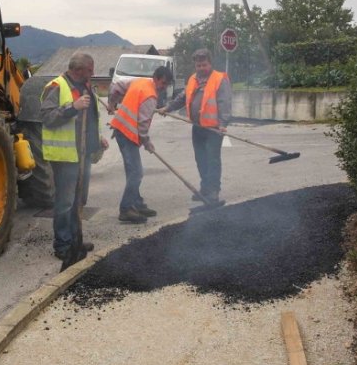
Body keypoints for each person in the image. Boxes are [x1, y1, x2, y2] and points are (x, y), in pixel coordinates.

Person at [40, 52, 108, 261]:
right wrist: (72, 107)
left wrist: (97, 138)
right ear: (78, 70)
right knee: (66, 202)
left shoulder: (84, 85)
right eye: (90, 70)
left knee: (79, 200)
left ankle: (75, 239)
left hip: (83, 152)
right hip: (66, 155)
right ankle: (62, 244)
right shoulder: (57, 86)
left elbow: (90, 118)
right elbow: (46, 117)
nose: (93, 74)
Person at [158, 48, 232, 205]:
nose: (201, 68)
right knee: (201, 159)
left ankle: (213, 192)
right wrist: (168, 108)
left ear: (210, 63)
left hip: (213, 129)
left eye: (204, 65)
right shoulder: (193, 79)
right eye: (198, 66)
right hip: (197, 127)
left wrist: (223, 124)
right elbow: (182, 97)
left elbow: (224, 103)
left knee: (212, 161)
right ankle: (205, 188)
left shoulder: (219, 79)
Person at [107, 66, 173, 223]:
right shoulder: (150, 96)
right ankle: (126, 209)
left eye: (166, 85)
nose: (163, 87)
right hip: (127, 134)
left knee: (133, 171)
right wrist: (147, 142)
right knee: (136, 173)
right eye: (163, 83)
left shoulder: (139, 82)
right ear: (156, 78)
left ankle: (137, 203)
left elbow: (116, 87)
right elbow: (142, 124)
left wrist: (112, 103)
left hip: (122, 131)